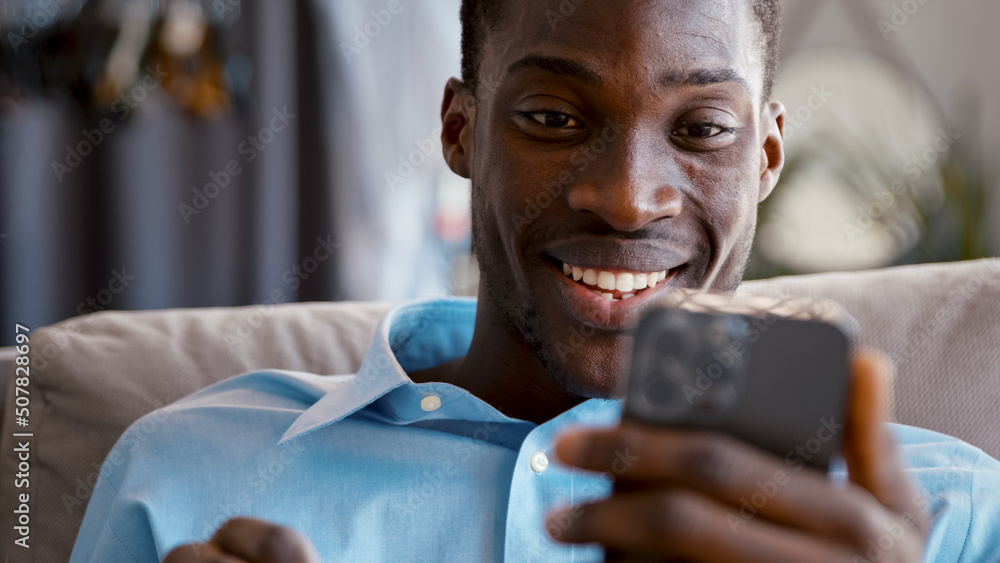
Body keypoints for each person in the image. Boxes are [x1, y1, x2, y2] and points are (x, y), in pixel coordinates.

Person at [70, 1, 1000, 561]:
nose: (629, 199)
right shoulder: (186, 472)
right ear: (461, 131)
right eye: (554, 115)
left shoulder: (951, 515)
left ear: (765, 157)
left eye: (702, 129)